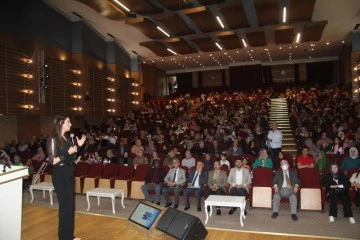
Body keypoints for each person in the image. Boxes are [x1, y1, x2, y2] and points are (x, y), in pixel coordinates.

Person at [47, 115, 86, 240]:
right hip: (60, 174)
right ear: (61, 124)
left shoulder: (66, 138)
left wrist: (78, 147)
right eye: (68, 122)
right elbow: (52, 161)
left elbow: (72, 157)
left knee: (70, 207)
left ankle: (69, 236)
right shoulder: (53, 140)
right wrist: (66, 154)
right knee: (65, 208)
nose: (70, 124)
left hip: (69, 172)